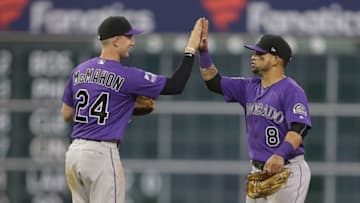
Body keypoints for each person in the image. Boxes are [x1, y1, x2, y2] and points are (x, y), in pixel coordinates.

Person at [61, 16, 205, 203]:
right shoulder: (126, 75)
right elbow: (175, 86)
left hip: (74, 155)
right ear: (116, 40)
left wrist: (121, 108)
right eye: (129, 37)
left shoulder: (79, 70)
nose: (132, 42)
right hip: (101, 155)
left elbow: (66, 113)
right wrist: (190, 49)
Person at [198, 20, 311, 203]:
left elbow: (300, 128)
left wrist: (280, 154)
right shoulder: (249, 87)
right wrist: (203, 52)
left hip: (288, 170)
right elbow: (213, 81)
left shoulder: (291, 90)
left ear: (276, 60)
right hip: (258, 171)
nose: (254, 56)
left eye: (260, 54)